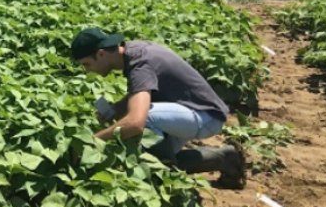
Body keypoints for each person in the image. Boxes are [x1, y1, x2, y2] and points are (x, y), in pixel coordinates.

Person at [71, 27, 245, 188]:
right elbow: (142, 91)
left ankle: (163, 180)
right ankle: (224, 158)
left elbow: (135, 122)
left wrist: (94, 141)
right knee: (152, 158)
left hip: (205, 115)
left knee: (145, 122)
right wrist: (116, 109)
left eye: (87, 64)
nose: (87, 70)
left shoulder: (139, 66)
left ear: (101, 54)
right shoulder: (134, 50)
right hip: (188, 110)